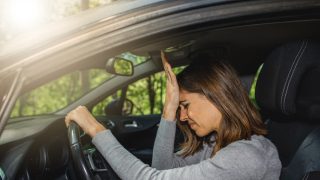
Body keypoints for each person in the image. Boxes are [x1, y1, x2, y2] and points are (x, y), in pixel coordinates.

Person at [65, 51, 281, 180]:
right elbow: (163, 168)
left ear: (215, 96)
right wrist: (169, 108)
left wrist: (95, 129)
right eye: (180, 108)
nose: (183, 117)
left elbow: (151, 178)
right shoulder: (214, 142)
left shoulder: (247, 155)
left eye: (185, 105)